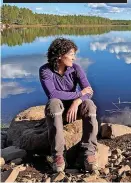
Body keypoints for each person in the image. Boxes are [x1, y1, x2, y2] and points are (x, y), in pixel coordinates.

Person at [39, 37, 98, 172]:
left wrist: (77, 102)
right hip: (57, 110)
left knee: (89, 104)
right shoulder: (45, 71)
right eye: (71, 54)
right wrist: (78, 94)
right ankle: (58, 155)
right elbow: (53, 94)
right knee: (54, 103)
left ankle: (89, 152)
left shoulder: (76, 69)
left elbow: (89, 91)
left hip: (74, 110)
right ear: (60, 55)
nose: (74, 58)